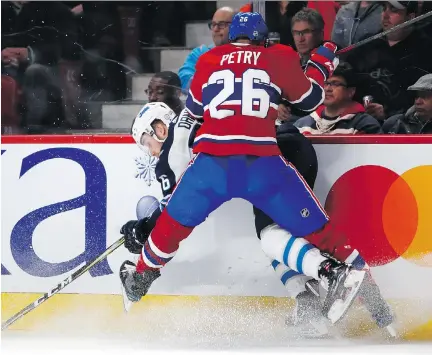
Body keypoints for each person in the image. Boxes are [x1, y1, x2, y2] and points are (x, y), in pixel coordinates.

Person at [120, 12, 365, 325]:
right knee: (315, 231)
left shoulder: (207, 61)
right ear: (263, 40)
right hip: (262, 161)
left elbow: (191, 114)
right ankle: (338, 272)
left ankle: (139, 280)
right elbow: (312, 98)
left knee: (171, 227)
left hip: (212, 164)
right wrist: (322, 59)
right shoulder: (277, 56)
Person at [178, 6, 235, 90]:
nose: (215, 29)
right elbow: (184, 78)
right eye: (213, 24)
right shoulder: (200, 53)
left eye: (221, 24)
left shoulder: (246, 54)